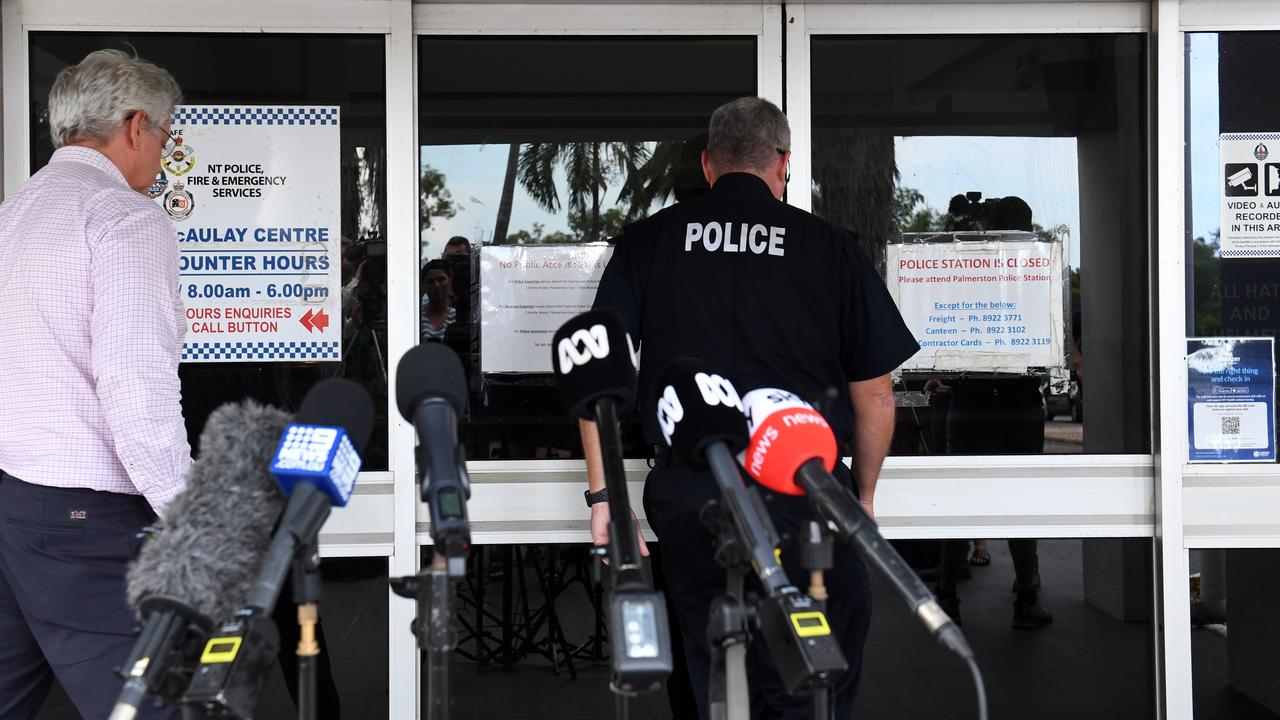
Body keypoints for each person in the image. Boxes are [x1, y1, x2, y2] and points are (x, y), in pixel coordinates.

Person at [580, 97, 919, 718]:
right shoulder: (830, 247)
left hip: (690, 492)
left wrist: (605, 498)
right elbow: (874, 391)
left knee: (709, 672)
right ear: (784, 162)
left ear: (709, 165)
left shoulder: (648, 243)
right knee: (813, 678)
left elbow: (598, 372)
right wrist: (862, 498)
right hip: (806, 491)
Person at [0, 49, 189, 719]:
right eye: (167, 133)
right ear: (136, 126)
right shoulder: (127, 219)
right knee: (154, 706)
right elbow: (137, 396)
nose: (165, 153)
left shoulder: (14, 214)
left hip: (15, 505)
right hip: (88, 523)